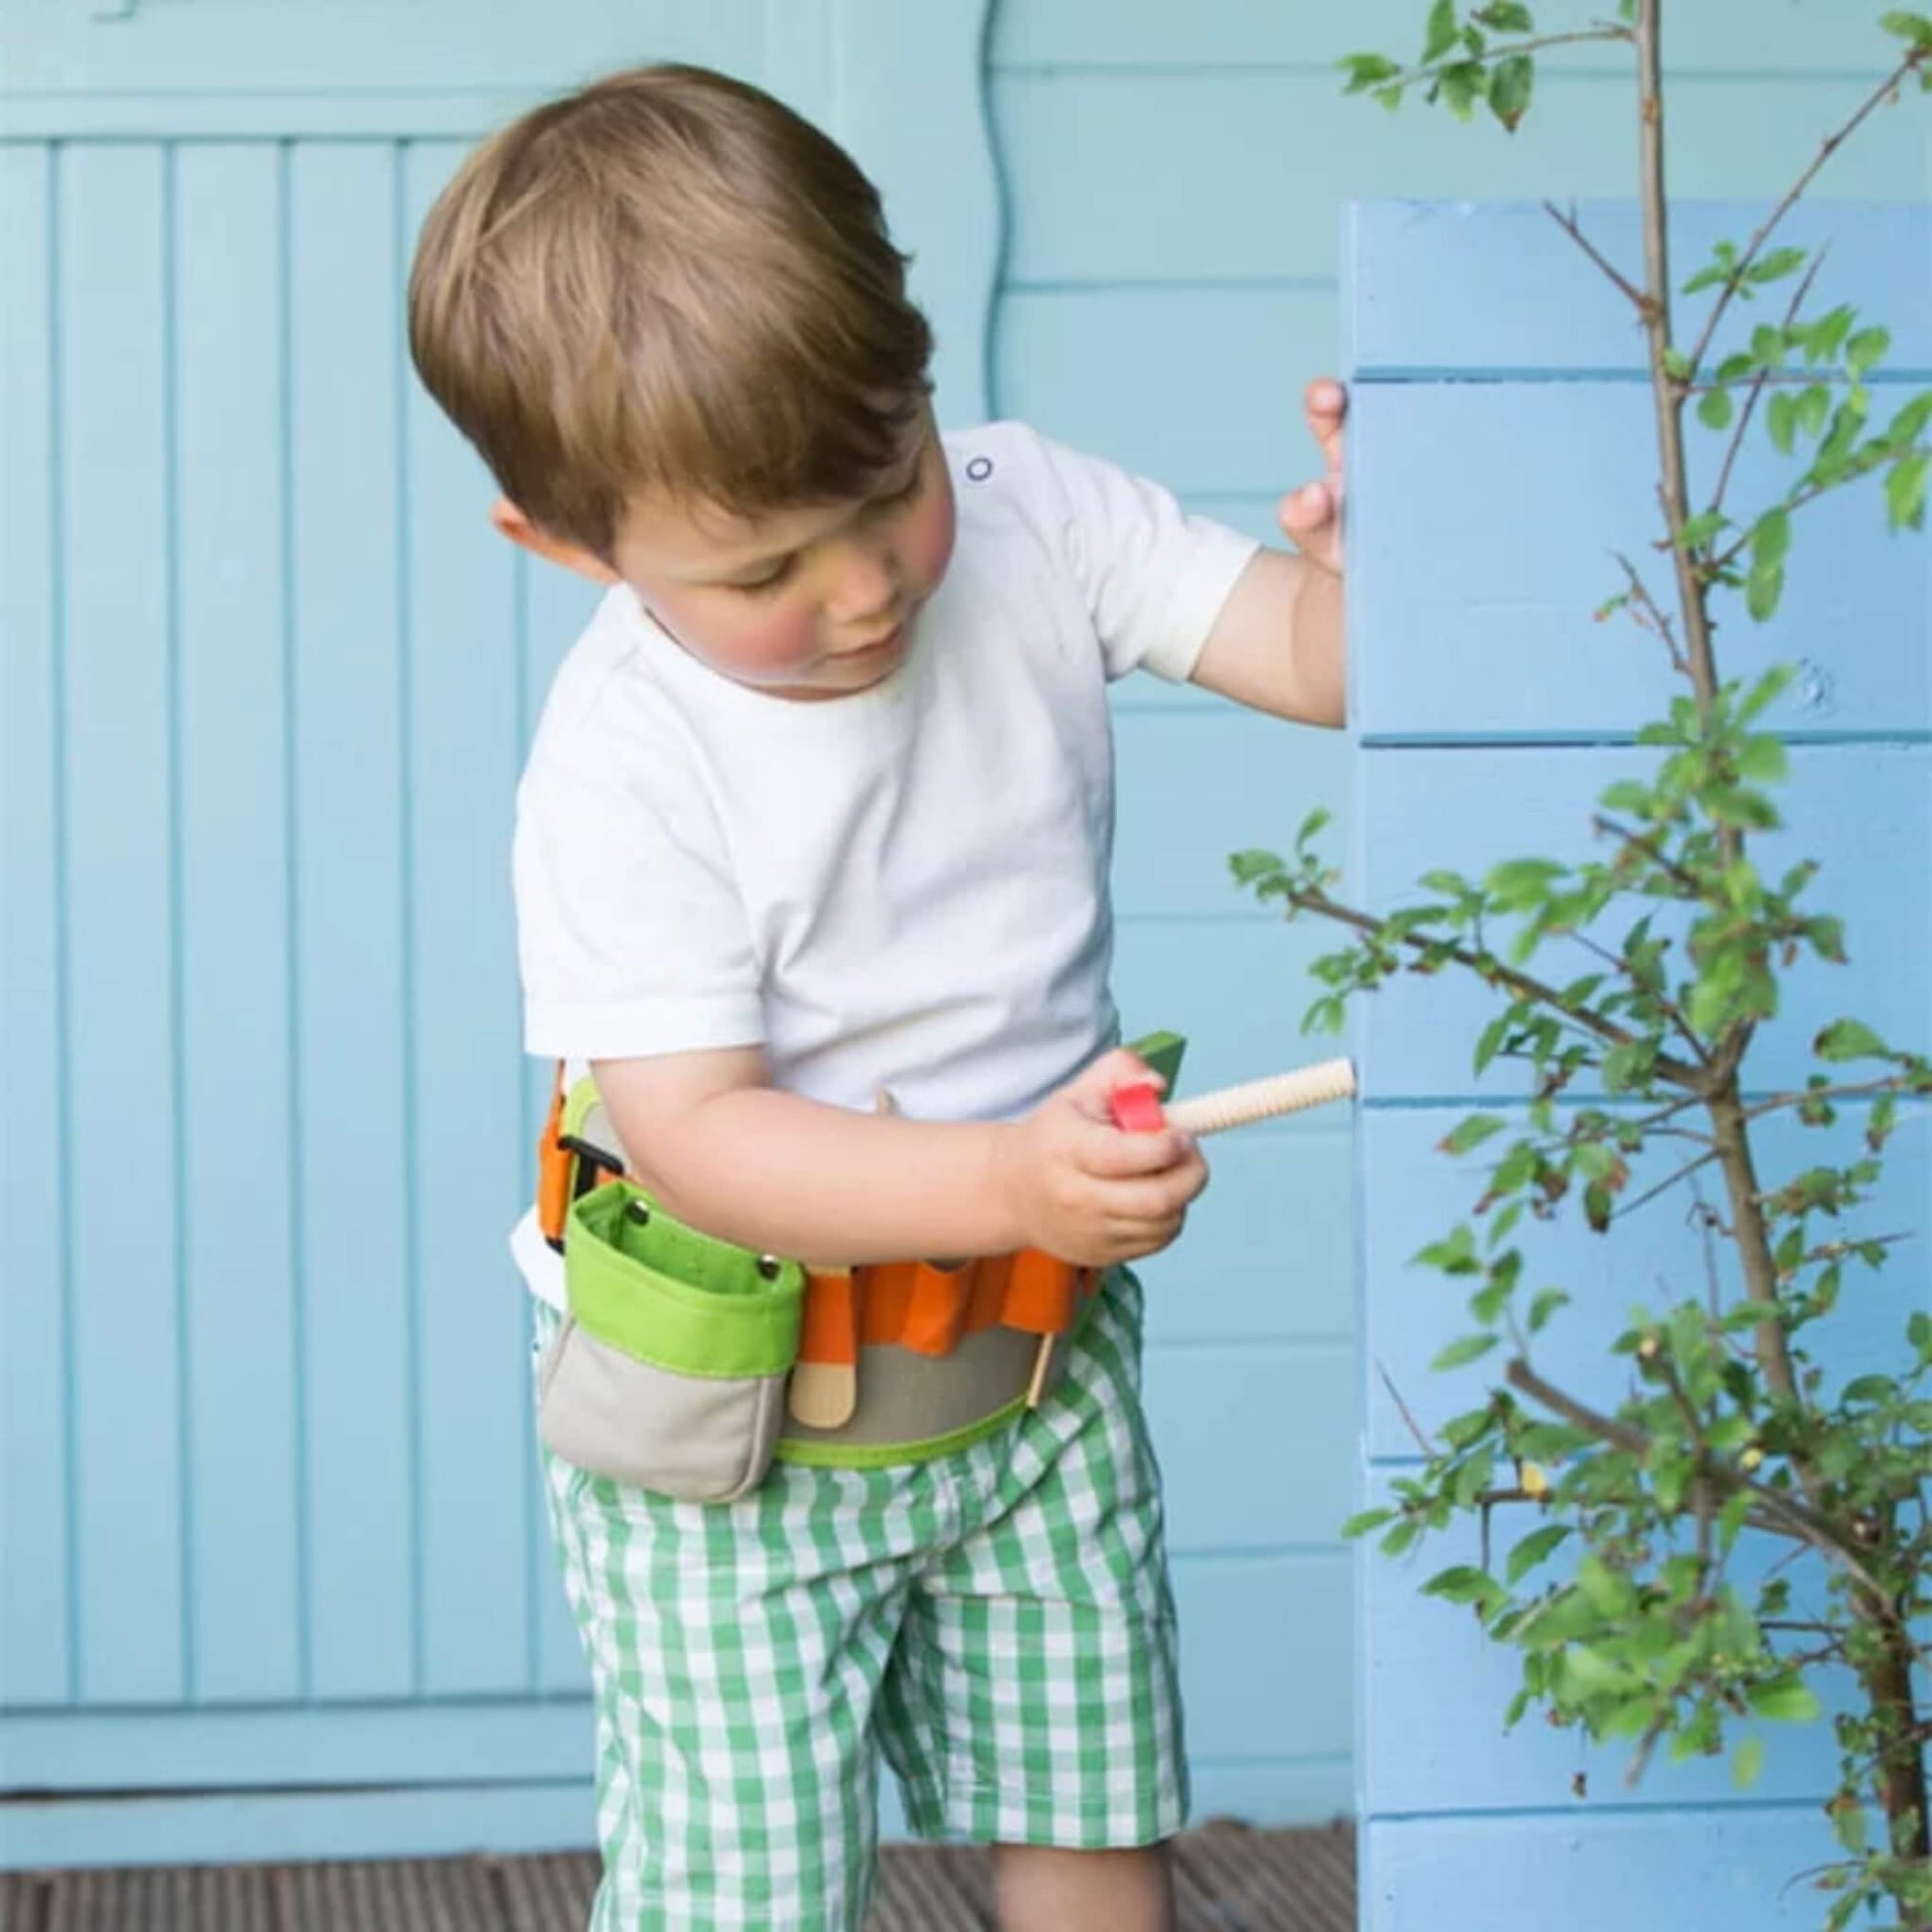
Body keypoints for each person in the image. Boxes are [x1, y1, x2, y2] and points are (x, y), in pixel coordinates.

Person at [407, 62, 1346, 1932]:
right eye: (761, 565)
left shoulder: (1033, 517)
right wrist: (1008, 1180)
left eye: (886, 482)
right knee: (743, 1880)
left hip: (1030, 1362)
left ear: (920, 371)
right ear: (567, 545)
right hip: (735, 1421)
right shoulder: (626, 759)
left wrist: (1363, 566)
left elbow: (1321, 662)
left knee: (1093, 1800)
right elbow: (699, 1137)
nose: (861, 589)